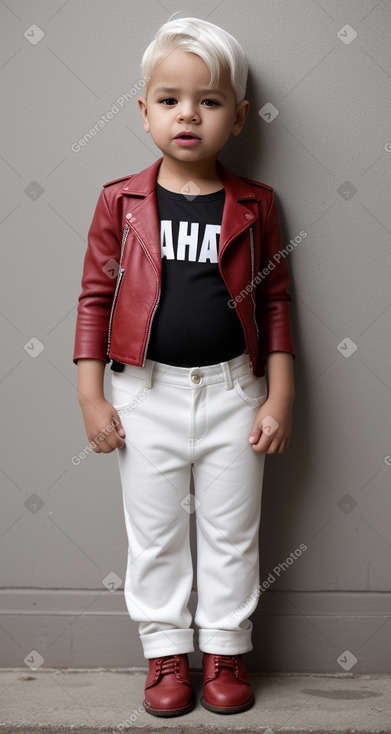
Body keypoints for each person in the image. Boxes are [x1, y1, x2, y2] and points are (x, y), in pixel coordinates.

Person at [73, 16, 295, 717]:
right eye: (169, 99)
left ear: (237, 116)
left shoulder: (256, 205)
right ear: (143, 112)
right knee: (156, 532)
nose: (187, 115)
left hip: (235, 392)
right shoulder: (121, 201)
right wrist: (90, 395)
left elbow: (277, 302)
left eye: (208, 101)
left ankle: (225, 649)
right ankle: (166, 653)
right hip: (143, 395)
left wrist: (279, 397)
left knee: (233, 529)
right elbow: (95, 296)